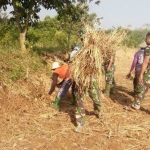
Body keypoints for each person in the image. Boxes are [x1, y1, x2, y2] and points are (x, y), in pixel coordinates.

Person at [131, 33, 150, 110]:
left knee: (141, 87)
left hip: (148, 73)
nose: (146, 40)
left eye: (147, 38)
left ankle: (136, 105)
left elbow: (145, 62)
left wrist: (141, 74)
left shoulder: (148, 49)